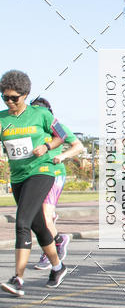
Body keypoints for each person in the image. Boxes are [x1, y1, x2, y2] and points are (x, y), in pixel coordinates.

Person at [0, 70, 71, 296]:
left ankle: (18, 279)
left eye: (14, 98)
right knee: (39, 226)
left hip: (42, 172)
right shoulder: (2, 119)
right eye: (5, 97)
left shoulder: (41, 115)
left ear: (25, 94)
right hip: (19, 177)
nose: (9, 102)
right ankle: (58, 268)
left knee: (22, 223)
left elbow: (64, 136)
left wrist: (48, 147)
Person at [29, 97, 84, 269]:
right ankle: (58, 239)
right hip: (35, 175)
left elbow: (78, 146)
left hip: (55, 173)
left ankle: (54, 248)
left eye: (39, 110)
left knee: (45, 216)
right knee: (36, 217)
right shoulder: (32, 128)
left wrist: (62, 156)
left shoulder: (57, 125)